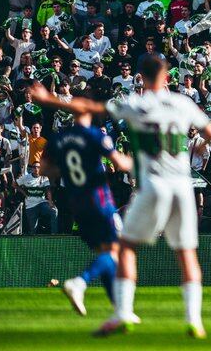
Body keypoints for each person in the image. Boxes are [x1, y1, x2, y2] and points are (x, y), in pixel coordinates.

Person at [29, 54, 211, 338]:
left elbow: (90, 107)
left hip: (151, 184)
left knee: (126, 247)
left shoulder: (135, 104)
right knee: (186, 254)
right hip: (182, 185)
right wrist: (198, 140)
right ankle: (194, 320)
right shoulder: (183, 103)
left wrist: (49, 100)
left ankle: (122, 312)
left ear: (141, 76)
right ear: (166, 76)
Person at [40, 112, 134, 315]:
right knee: (116, 251)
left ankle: (120, 311)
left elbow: (44, 170)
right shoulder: (93, 135)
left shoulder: (59, 139)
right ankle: (80, 282)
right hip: (99, 201)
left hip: (77, 204)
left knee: (106, 253)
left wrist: (67, 168)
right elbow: (120, 164)